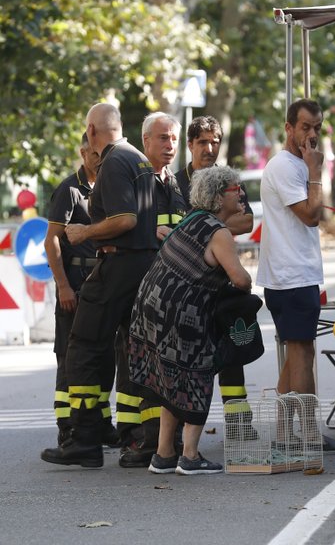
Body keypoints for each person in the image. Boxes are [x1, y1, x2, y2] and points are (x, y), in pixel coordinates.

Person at [41, 102, 158, 468]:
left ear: (92, 131)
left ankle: (85, 439)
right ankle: (145, 441)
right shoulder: (139, 159)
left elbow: (124, 219)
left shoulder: (113, 162)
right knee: (134, 351)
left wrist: (85, 231)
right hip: (142, 265)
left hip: (119, 264)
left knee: (84, 346)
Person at [128, 166, 252, 475]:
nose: (240, 195)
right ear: (219, 196)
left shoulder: (192, 220)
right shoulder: (218, 232)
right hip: (181, 314)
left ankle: (164, 454)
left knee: (171, 381)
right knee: (197, 375)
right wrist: (246, 275)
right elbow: (241, 280)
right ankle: (191, 456)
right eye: (235, 190)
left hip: (150, 308)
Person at [256, 99, 335, 454]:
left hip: (296, 275)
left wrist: (310, 168)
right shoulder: (284, 167)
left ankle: (283, 433)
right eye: (305, 127)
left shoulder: (295, 164)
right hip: (289, 277)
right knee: (303, 354)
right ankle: (309, 434)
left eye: (317, 127)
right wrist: (314, 170)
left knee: (297, 354)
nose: (312, 134)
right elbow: (311, 216)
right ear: (289, 128)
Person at [176, 115, 258, 441]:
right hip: (188, 283)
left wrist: (201, 225)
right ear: (190, 145)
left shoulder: (227, 179)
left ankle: (239, 424)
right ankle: (180, 431)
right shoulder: (175, 182)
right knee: (186, 356)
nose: (209, 149)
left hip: (222, 279)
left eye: (215, 142)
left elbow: (246, 220)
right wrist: (218, 223)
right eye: (202, 142)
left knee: (231, 351)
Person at [114, 112, 186, 468]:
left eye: (173, 138)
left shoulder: (172, 183)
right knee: (141, 364)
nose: (170, 145)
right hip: (142, 288)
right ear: (145, 141)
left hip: (171, 289)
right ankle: (145, 439)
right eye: (162, 138)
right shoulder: (137, 179)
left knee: (160, 365)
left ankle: (154, 438)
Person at [43, 133, 120, 448]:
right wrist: (63, 286)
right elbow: (52, 241)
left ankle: (99, 421)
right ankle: (68, 425)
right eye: (93, 153)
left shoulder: (107, 187)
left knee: (102, 354)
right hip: (74, 283)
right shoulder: (69, 190)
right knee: (70, 356)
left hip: (100, 281)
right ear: (82, 152)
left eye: (102, 153)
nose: (98, 158)